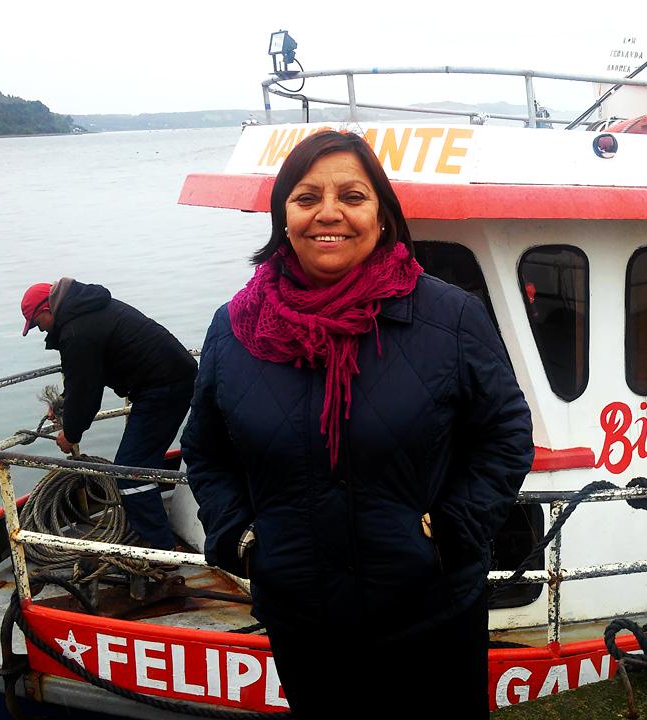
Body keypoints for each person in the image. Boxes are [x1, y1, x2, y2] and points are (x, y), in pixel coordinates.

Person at [181, 130, 534, 717]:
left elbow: (504, 433)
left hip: (431, 612)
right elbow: (206, 450)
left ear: (381, 213)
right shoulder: (234, 328)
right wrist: (240, 539)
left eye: (352, 195)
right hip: (303, 620)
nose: (329, 213)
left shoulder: (448, 317)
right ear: (283, 216)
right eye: (306, 197)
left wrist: (451, 532)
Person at [20, 278, 197, 551]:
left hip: (165, 388)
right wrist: (64, 404)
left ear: (47, 308)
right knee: (136, 466)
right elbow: (86, 377)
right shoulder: (86, 312)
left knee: (129, 472)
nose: (38, 329)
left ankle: (159, 550)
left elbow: (87, 393)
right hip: (168, 379)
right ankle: (151, 535)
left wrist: (70, 434)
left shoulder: (76, 331)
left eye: (36, 322)